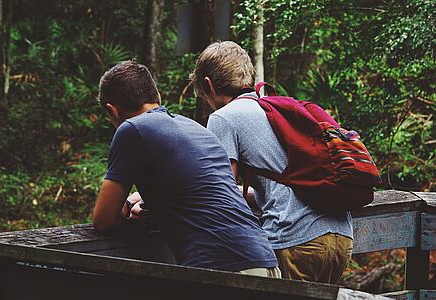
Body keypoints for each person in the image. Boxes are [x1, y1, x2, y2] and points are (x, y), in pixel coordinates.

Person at [92, 60, 280, 277]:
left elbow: (103, 220)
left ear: (112, 110)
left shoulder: (132, 129)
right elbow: (200, 193)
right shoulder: (195, 128)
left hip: (224, 267)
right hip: (264, 260)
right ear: (156, 97)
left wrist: (125, 205)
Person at [190, 41, 353, 283]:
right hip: (341, 237)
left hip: (296, 239)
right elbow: (282, 186)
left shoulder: (223, 118)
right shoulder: (275, 109)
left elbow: (220, 192)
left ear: (208, 85)